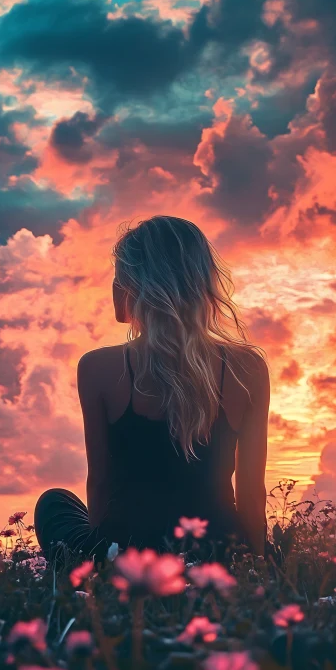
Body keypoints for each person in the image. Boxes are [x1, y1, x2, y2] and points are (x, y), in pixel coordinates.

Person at [34, 216, 270, 561]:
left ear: (133, 285)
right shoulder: (248, 367)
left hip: (132, 553)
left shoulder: (98, 368)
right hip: (215, 549)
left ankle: (98, 562)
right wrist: (258, 564)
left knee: (54, 503)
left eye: (118, 277)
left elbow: (100, 483)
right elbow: (252, 493)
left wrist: (102, 560)